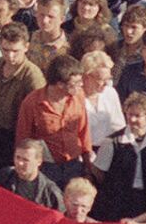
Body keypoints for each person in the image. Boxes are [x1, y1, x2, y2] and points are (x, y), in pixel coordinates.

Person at [16, 54, 94, 187]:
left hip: (73, 165)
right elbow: (23, 139)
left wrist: (88, 167)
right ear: (60, 84)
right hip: (46, 168)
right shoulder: (32, 102)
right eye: (75, 83)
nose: (80, 86)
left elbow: (83, 131)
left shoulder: (78, 96)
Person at [92, 91, 146, 222]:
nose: (132, 120)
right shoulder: (112, 141)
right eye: (129, 115)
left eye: (137, 116)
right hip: (117, 202)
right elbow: (99, 172)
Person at [0, 139, 65, 211]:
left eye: (25, 160)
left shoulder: (50, 193)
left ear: (39, 161)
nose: (20, 163)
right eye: (17, 158)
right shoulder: (3, 178)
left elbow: (60, 220)